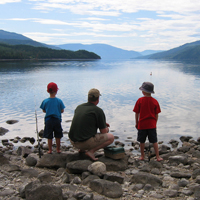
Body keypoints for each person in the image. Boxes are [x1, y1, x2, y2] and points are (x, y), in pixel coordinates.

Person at [68, 88, 114, 161]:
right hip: (84, 143)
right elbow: (103, 132)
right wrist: (105, 128)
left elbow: (83, 121)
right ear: (98, 99)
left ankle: (82, 150)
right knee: (111, 137)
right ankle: (91, 151)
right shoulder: (98, 110)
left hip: (72, 141)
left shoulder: (79, 107)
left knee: (84, 130)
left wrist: (101, 122)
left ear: (88, 97)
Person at [133, 82, 163, 162]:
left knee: (142, 141)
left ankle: (142, 156)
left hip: (142, 124)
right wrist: (155, 123)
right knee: (154, 141)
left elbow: (136, 113)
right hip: (152, 125)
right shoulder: (155, 101)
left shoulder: (140, 100)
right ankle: (158, 156)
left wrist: (137, 123)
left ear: (143, 91)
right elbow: (157, 114)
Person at [40, 82, 65, 154]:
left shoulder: (45, 101)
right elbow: (62, 110)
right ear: (56, 91)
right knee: (58, 135)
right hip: (57, 120)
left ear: (48, 91)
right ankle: (58, 149)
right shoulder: (59, 101)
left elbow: (44, 110)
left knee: (49, 136)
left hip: (48, 120)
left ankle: (50, 150)